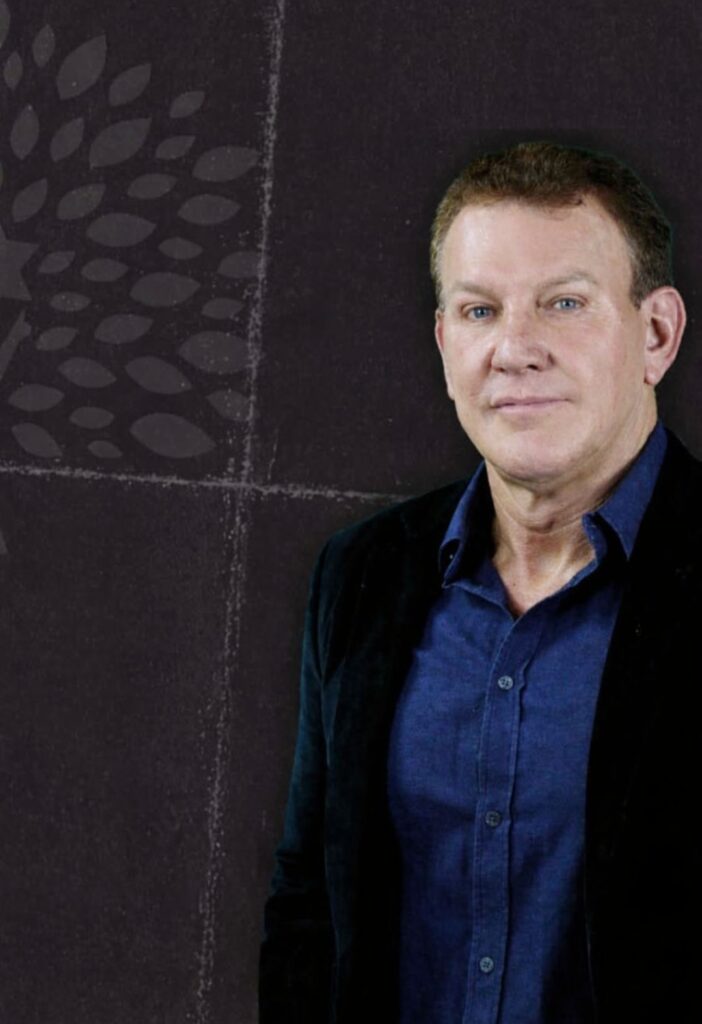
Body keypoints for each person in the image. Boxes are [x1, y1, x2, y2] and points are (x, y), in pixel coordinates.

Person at [258, 140, 701, 1023]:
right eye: (479, 310)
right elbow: (310, 909)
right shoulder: (362, 575)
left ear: (656, 334)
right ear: (444, 340)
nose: (514, 348)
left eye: (564, 304)